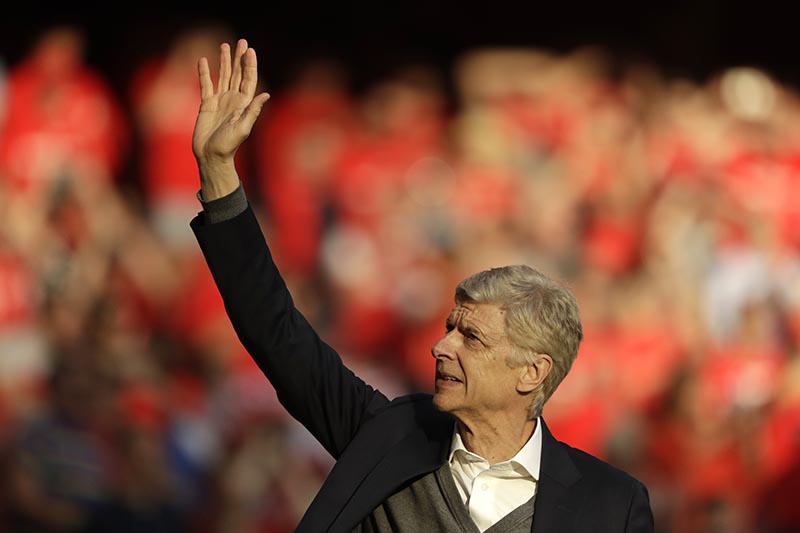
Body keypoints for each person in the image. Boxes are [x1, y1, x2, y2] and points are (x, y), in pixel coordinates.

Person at [190, 39, 654, 533]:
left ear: (532, 372)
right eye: (451, 327)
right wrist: (219, 174)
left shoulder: (612, 505)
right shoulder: (387, 437)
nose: (441, 346)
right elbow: (274, 330)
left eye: (471, 338)